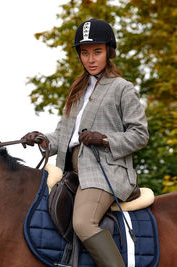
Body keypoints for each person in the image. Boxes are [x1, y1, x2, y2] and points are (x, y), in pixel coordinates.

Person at [22, 18, 149, 267]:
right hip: (73, 174)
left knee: (83, 222)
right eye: (85, 53)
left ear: (109, 52)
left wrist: (104, 139)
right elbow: (63, 136)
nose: (91, 59)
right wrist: (42, 139)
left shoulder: (123, 89)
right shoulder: (77, 92)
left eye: (97, 52)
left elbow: (140, 134)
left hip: (107, 174)